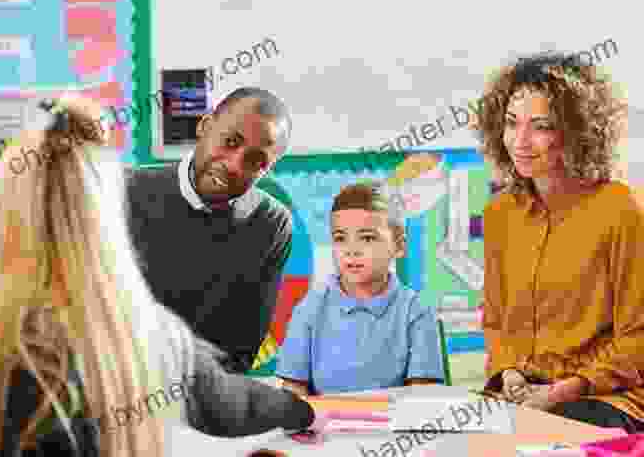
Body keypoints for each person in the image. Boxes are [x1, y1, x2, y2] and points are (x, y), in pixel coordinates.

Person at [0, 94, 318, 456]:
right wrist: (301, 410)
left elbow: (234, 374)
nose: (233, 164)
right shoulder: (143, 336)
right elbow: (231, 402)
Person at [472, 52, 644, 432]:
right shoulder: (499, 215)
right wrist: (509, 372)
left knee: (536, 434)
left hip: (605, 397)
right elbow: (497, 321)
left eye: (541, 126)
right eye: (511, 124)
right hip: (524, 393)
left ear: (577, 132)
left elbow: (638, 338)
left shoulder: (622, 209)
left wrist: (560, 392)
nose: (521, 141)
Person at [125, 87, 293, 373]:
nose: (233, 164)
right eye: (230, 142)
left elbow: (241, 351)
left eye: (255, 161)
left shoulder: (270, 224)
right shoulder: (125, 192)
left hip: (203, 398)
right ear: (204, 127)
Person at [276, 182, 445, 395]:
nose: (351, 250)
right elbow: (293, 391)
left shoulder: (416, 311)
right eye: (340, 238)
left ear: (399, 246)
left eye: (367, 238)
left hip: (394, 426)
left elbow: (422, 397)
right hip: (324, 427)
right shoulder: (309, 309)